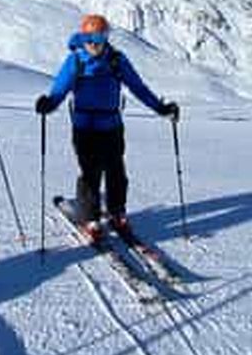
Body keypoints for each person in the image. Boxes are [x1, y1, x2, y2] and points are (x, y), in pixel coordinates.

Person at [35, 14, 179, 240]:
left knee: (116, 172)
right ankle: (91, 219)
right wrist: (48, 104)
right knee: (90, 173)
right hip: (84, 128)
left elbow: (138, 88)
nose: (94, 43)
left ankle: (117, 212)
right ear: (82, 38)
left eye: (99, 37)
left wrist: (160, 108)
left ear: (106, 38)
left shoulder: (117, 60)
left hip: (111, 126)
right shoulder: (76, 61)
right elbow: (60, 89)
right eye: (89, 38)